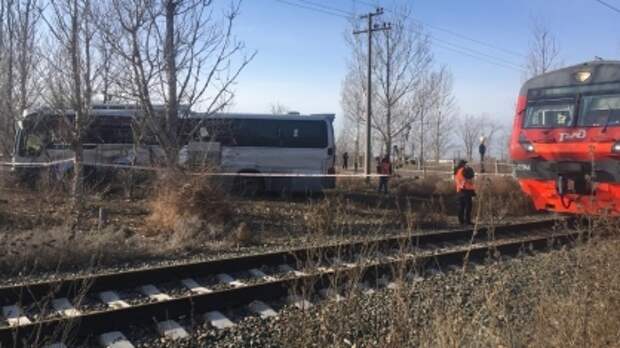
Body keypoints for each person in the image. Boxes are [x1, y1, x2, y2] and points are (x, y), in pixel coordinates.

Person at [454, 159, 475, 225]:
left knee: (461, 207)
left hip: (459, 191)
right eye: (465, 164)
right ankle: (467, 221)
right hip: (466, 191)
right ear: (462, 164)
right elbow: (471, 175)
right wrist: (470, 169)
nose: (466, 165)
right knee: (468, 207)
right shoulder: (464, 170)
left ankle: (461, 221)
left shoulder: (456, 171)